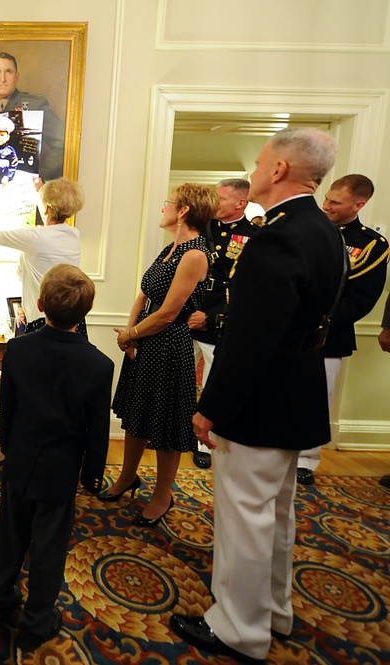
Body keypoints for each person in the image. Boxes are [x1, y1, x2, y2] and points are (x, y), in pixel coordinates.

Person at [172, 127, 343, 665]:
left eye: (261, 158)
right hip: (295, 394)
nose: (254, 168)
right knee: (275, 513)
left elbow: (251, 337)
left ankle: (239, 629)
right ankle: (272, 611)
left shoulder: (279, 236)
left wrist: (212, 407)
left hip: (262, 400)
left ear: (277, 170)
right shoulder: (321, 230)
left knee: (245, 514)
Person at [0, 264, 113, 655]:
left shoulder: (19, 349)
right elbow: (98, 429)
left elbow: (8, 406)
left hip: (20, 464)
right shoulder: (99, 365)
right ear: (86, 314)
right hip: (59, 475)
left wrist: (9, 448)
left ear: (40, 305)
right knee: (48, 550)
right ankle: (36, 623)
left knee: (9, 538)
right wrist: (91, 475)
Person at [104, 184, 215, 526]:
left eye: (168, 203)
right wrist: (130, 333)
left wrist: (131, 334)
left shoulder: (195, 254)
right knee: (137, 416)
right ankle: (127, 478)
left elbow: (169, 313)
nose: (163, 208)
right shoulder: (171, 249)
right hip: (145, 341)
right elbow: (143, 294)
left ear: (183, 211)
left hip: (169, 345)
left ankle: (163, 494)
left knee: (167, 425)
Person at [295, 175, 388, 485]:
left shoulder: (371, 244)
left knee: (318, 399)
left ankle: (306, 460)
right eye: (327, 199)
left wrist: (315, 320)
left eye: (335, 202)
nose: (326, 206)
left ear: (358, 205)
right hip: (287, 331)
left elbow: (361, 299)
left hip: (328, 336)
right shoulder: (309, 229)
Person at [186, 178, 260, 469]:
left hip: (218, 318)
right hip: (189, 309)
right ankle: (178, 430)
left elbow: (247, 288)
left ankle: (203, 439)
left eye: (221, 199)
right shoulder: (200, 228)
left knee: (211, 383)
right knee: (179, 376)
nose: (214, 203)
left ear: (240, 203)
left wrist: (213, 316)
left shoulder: (254, 236)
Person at [0, 177, 83, 327]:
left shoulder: (35, 238)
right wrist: (39, 194)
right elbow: (50, 221)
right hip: (73, 319)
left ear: (47, 207)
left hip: (44, 322)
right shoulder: (74, 235)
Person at [0, 52, 66, 181]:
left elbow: (64, 143)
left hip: (22, 180)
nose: (3, 79)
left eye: (8, 72)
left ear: (17, 76)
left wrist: (42, 177)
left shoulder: (35, 105)